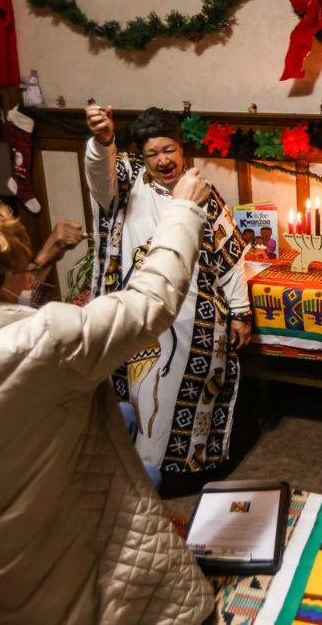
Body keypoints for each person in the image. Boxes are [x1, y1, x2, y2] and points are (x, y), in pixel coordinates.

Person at [0, 184, 216, 624]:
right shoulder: (50, 341)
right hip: (81, 583)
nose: (28, 276)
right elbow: (151, 301)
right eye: (19, 267)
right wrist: (182, 209)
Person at [85, 104, 252, 495]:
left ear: (182, 149)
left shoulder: (201, 192)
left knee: (195, 403)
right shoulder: (125, 181)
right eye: (152, 154)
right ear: (140, 157)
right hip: (142, 320)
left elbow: (230, 258)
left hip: (197, 321)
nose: (163, 161)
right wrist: (102, 141)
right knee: (146, 401)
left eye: (169, 150)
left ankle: (186, 475)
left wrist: (240, 312)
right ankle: (142, 475)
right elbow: (99, 173)